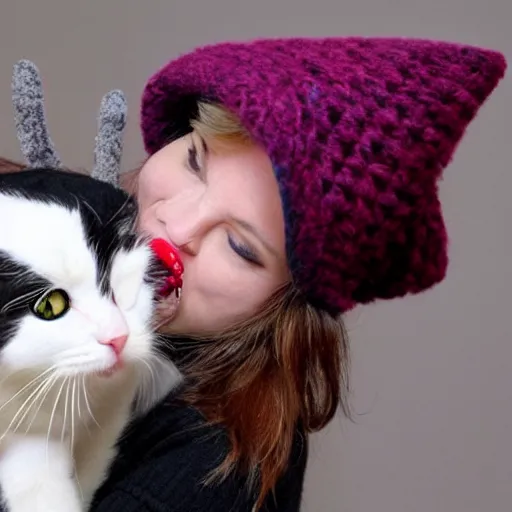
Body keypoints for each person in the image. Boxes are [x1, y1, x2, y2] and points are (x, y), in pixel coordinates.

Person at [1, 36, 506, 511]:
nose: (177, 227)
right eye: (195, 162)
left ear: (287, 303)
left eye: (241, 246)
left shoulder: (207, 471)